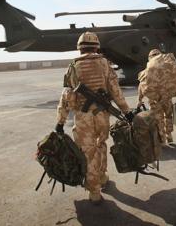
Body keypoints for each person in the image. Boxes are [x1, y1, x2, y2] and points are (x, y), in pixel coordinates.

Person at [55, 31, 132, 204]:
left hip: (83, 118)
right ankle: (102, 176)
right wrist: (127, 111)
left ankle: (94, 191)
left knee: (88, 153)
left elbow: (66, 95)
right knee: (101, 145)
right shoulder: (105, 63)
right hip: (102, 116)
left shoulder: (73, 66)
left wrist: (60, 121)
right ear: (97, 46)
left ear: (79, 48)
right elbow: (115, 91)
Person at [137, 49, 176, 144]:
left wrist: (140, 99)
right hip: (167, 98)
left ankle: (162, 138)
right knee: (168, 116)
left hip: (155, 100)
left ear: (150, 58)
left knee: (158, 120)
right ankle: (169, 135)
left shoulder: (147, 70)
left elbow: (141, 86)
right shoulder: (169, 68)